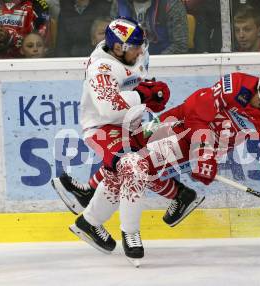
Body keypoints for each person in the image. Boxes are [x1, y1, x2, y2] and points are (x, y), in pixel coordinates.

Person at [54, 66, 260, 233]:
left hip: (187, 145)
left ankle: (96, 217)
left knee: (140, 166)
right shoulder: (237, 86)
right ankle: (92, 190)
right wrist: (203, 150)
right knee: (131, 143)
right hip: (184, 120)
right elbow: (197, 110)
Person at [54, 16, 204, 265]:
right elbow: (109, 110)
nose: (140, 50)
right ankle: (131, 233)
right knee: (133, 168)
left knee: (124, 171)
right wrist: (141, 96)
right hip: (102, 129)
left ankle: (88, 222)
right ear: (118, 48)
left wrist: (153, 91)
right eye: (135, 46)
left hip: (132, 124)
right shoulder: (100, 68)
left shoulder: (137, 53)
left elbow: (143, 83)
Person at [111, 0, 189, 55]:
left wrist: (152, 62)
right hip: (129, 63)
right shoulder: (118, 4)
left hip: (163, 64)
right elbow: (113, 41)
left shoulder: (171, 4)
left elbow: (180, 45)